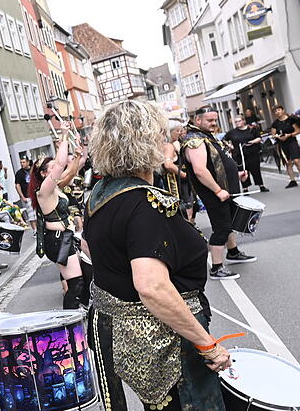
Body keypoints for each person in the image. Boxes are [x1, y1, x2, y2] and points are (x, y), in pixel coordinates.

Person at [85, 100, 232, 410]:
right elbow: (151, 286)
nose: (168, 144)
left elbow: (92, 249)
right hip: (162, 339)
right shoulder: (143, 204)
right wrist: (206, 343)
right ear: (146, 142)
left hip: (126, 335)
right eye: (162, 136)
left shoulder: (101, 193)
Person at [182, 107, 256, 280]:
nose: (214, 123)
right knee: (221, 227)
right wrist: (217, 190)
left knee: (229, 222)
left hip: (223, 188)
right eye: (210, 120)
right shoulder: (195, 140)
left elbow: (217, 165)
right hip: (214, 191)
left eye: (215, 120)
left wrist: (236, 175)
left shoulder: (206, 136)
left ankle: (233, 252)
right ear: (197, 120)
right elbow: (200, 170)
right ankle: (216, 267)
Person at [29, 123, 87, 309]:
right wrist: (63, 135)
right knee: (75, 284)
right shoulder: (43, 192)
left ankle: (80, 314)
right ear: (44, 174)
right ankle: (69, 324)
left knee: (81, 280)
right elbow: (62, 164)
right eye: (52, 168)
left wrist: (78, 155)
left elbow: (70, 170)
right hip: (58, 240)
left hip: (66, 237)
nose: (58, 169)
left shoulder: (56, 187)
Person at [223, 115, 268, 193]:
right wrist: (230, 146)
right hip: (239, 155)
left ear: (244, 121)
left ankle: (261, 185)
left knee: (256, 170)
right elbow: (224, 140)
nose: (237, 123)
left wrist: (252, 142)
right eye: (236, 122)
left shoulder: (251, 129)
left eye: (239, 121)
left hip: (252, 153)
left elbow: (259, 138)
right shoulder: (232, 132)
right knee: (243, 170)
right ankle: (245, 188)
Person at [162, 119, 196, 220]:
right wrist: (183, 175)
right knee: (186, 212)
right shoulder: (169, 146)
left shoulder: (172, 144)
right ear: (170, 131)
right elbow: (168, 165)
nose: (180, 133)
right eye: (177, 131)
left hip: (179, 182)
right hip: (177, 183)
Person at [270, 105, 300, 188]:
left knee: (297, 160)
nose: (277, 112)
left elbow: (298, 130)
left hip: (291, 141)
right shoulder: (275, 123)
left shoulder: (291, 119)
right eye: (275, 111)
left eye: (279, 110)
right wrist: (277, 137)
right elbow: (273, 135)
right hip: (282, 144)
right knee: (288, 163)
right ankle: (292, 180)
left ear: (283, 110)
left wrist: (289, 135)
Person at [13, 157, 37, 231]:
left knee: (38, 213)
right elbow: (17, 185)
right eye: (21, 162)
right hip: (27, 196)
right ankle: (35, 230)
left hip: (36, 194)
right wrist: (22, 197)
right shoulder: (19, 173)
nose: (22, 164)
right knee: (31, 215)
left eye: (23, 162)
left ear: (28, 162)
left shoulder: (33, 170)